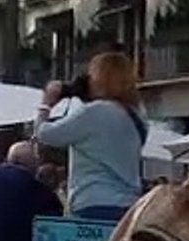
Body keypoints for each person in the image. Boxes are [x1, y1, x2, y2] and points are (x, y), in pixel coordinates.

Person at [35, 52, 144, 221]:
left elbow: (45, 134)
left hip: (92, 201)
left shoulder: (94, 112)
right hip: (129, 206)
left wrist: (46, 104)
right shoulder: (138, 116)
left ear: (100, 79)